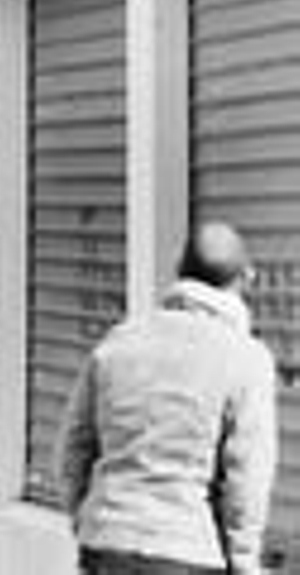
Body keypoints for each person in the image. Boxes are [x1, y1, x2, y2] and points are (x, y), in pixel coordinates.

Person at [57, 222, 277, 575]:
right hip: (187, 550)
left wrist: (86, 518)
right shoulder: (246, 359)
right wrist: (244, 560)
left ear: (179, 271)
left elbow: (74, 447)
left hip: (106, 542)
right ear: (244, 279)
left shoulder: (119, 341)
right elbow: (247, 474)